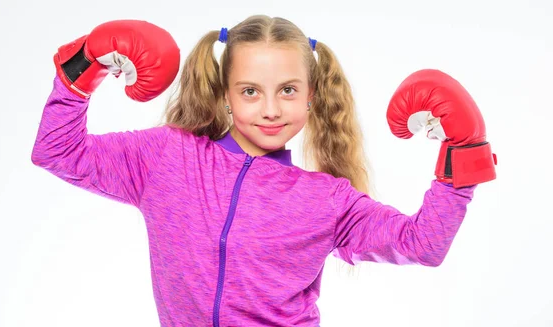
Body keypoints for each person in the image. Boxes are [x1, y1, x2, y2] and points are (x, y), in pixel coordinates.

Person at [31, 15, 496, 327]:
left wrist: (465, 153)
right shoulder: (167, 157)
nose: (271, 110)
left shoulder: (327, 199)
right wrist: (82, 67)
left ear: (312, 94)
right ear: (225, 94)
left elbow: (423, 245)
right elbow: (57, 150)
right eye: (250, 91)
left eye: (288, 90)